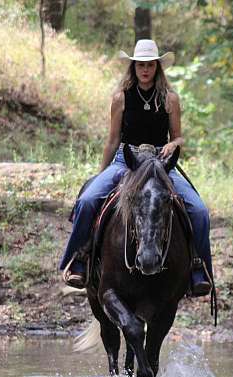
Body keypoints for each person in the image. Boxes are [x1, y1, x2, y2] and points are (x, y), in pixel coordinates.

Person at [58, 39, 212, 296]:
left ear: (157, 67)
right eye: (140, 64)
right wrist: (102, 172)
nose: (145, 69)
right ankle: (80, 259)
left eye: (150, 65)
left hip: (160, 164)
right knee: (87, 200)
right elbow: (112, 139)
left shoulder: (170, 99)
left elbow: (178, 135)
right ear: (133, 67)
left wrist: (174, 145)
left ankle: (198, 269)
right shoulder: (121, 98)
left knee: (200, 211)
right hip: (125, 161)